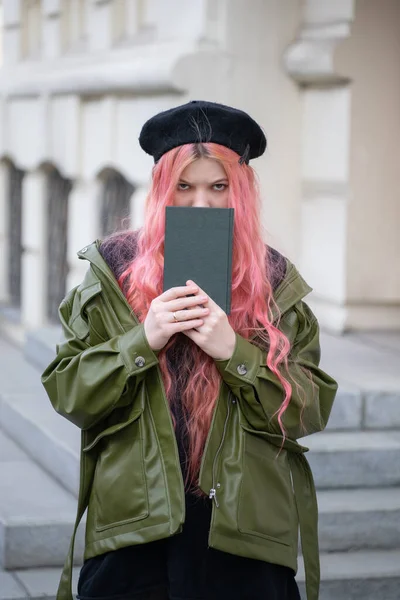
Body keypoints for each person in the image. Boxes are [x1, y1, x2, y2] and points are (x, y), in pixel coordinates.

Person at [41, 100, 338, 600]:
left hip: (242, 532)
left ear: (240, 190)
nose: (201, 203)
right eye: (185, 186)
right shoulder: (112, 274)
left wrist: (235, 351)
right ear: (161, 189)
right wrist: (143, 339)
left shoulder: (274, 282)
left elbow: (307, 410)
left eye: (218, 187)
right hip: (136, 524)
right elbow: (69, 393)